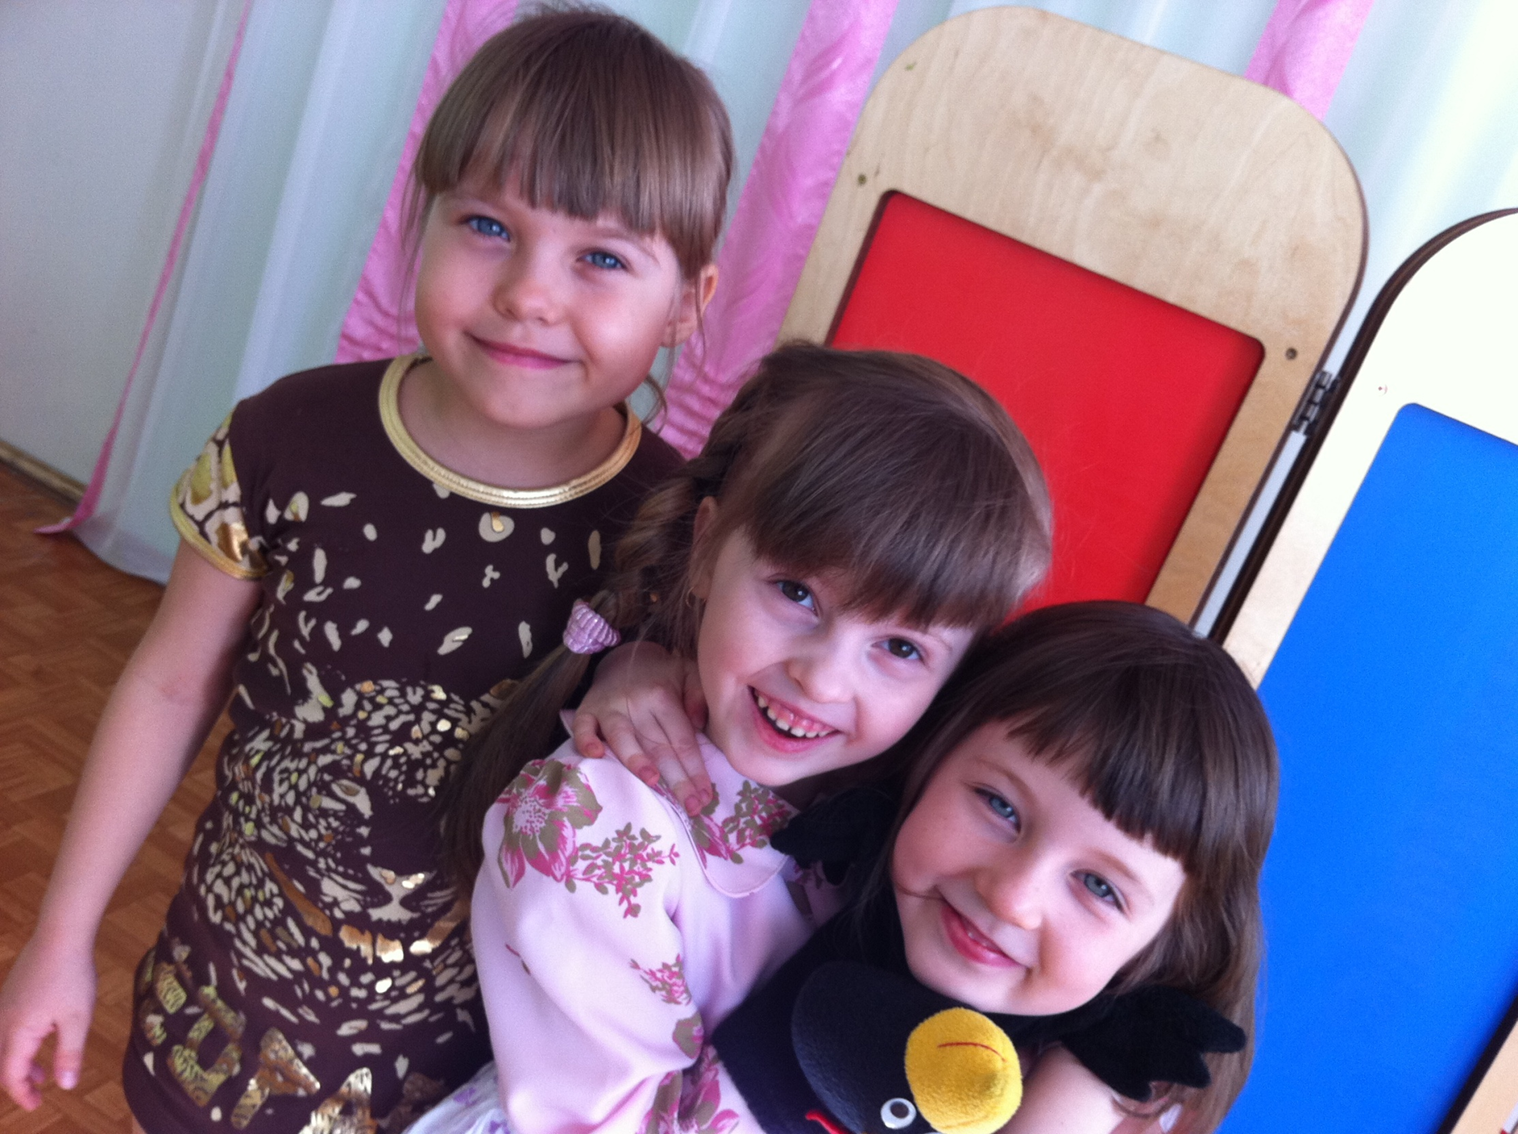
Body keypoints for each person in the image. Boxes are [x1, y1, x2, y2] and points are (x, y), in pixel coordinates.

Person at [0, 10, 735, 1130]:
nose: (530, 293)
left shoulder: (681, 536)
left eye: (600, 258)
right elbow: (169, 684)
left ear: (687, 302)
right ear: (417, 220)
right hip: (223, 1005)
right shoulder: (287, 440)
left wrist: (648, 669)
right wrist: (61, 936)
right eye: (487, 225)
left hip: (475, 1079)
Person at [415, 342, 1053, 1134]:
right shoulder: (596, 822)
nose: (823, 681)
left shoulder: (912, 820)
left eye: (899, 647)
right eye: (796, 592)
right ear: (707, 550)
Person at [710, 601, 1279, 1134]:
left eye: (1099, 886)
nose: (1012, 898)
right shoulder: (803, 839)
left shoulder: (1117, 1105)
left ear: (1165, 947)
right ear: (933, 753)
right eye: (1000, 806)